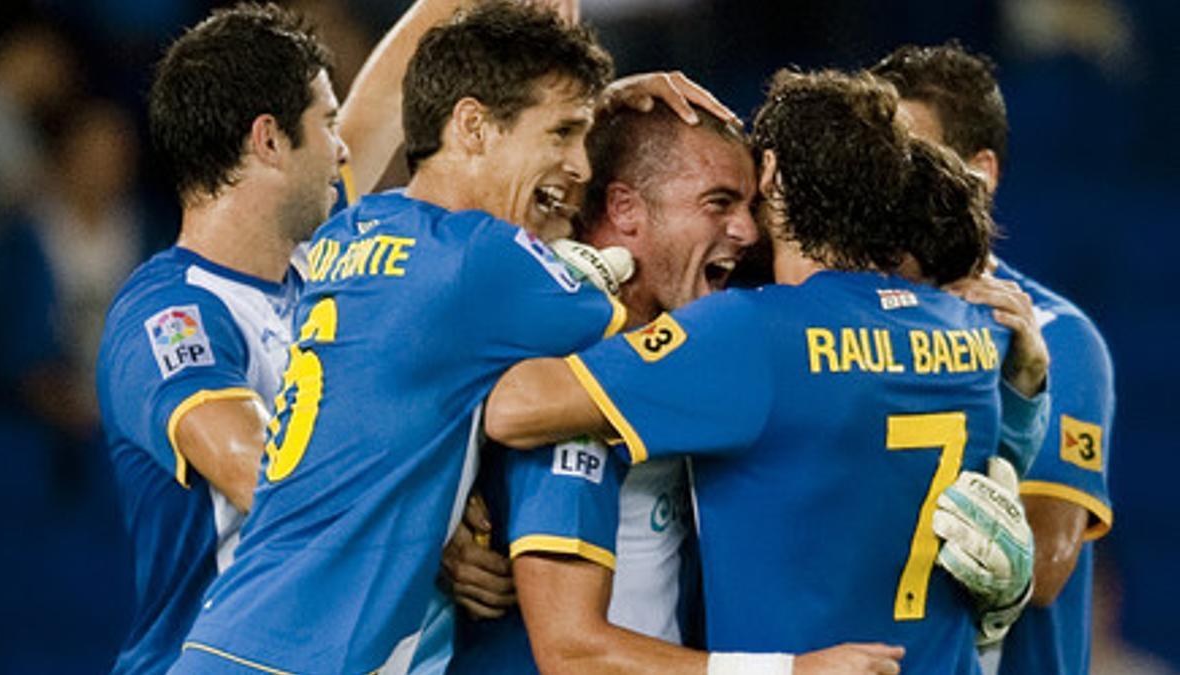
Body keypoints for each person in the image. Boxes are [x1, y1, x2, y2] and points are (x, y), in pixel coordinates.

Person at [482, 69, 1050, 675]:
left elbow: (513, 408)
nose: (746, 228)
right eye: (721, 203)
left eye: (749, 201)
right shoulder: (965, 326)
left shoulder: (744, 332)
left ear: (775, 176)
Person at [169, 3, 621, 672]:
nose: (580, 164)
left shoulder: (349, 232)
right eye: (562, 132)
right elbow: (649, 333)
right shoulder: (481, 259)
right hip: (307, 657)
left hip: (229, 638)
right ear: (472, 125)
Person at [95, 1, 466, 671]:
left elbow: (380, 102)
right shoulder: (170, 312)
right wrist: (436, 533)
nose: (344, 145)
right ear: (268, 140)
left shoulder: (317, 262)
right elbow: (269, 476)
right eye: (325, 124)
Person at [871, 42, 1115, 675]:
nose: (887, 185)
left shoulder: (1058, 338)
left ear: (980, 172)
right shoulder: (846, 317)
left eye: (911, 159)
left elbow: (1048, 563)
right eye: (877, 162)